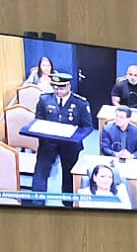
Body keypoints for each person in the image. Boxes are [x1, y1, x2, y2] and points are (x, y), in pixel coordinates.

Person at [27, 71, 95, 205]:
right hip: (48, 143)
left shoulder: (80, 103)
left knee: (68, 174)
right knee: (41, 171)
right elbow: (39, 119)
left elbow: (88, 127)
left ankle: (67, 203)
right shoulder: (44, 99)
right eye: (55, 88)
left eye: (61, 88)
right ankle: (37, 203)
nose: (58, 91)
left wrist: (74, 137)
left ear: (69, 86)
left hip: (70, 145)